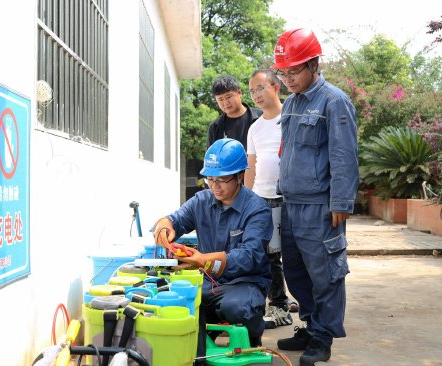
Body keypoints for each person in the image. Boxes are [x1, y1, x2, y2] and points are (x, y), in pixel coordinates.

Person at [271, 28, 359, 366]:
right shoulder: (292, 104)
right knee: (295, 273)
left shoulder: (334, 101)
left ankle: (323, 338)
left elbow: (343, 155)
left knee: (326, 276)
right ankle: (310, 325)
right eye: (284, 71)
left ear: (314, 64)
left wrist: (340, 202)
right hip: (291, 204)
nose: (289, 78)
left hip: (321, 206)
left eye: (294, 70)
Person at [153, 138, 273, 361]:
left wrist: (203, 260)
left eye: (222, 180)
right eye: (210, 179)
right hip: (208, 281)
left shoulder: (257, 209)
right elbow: (174, 220)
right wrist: (163, 227)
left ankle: (252, 335)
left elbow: (250, 256)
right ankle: (198, 354)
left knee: (237, 307)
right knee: (178, 302)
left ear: (239, 177)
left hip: (245, 282)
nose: (214, 185)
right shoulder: (201, 200)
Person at [244, 68, 294, 329]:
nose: (256, 95)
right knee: (269, 256)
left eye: (260, 88)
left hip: (291, 198)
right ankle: (279, 307)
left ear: (275, 86)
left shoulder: (292, 117)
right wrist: (246, 200)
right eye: (252, 91)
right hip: (262, 199)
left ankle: (300, 305)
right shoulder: (254, 128)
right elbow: (251, 166)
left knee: (296, 255)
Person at [206, 75, 262, 150]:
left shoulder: (261, 117)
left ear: (239, 93)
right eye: (220, 99)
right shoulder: (215, 127)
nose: (225, 102)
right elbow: (212, 158)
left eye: (228, 97)